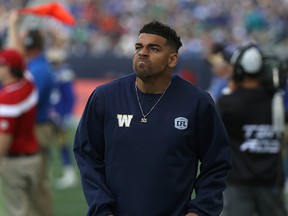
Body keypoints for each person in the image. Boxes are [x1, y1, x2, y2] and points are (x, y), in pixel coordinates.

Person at [73, 20, 232, 216]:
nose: (143, 52)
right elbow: (87, 155)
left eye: (153, 48)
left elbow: (217, 162)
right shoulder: (105, 97)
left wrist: (200, 210)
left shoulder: (197, 102)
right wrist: (101, 208)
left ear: (172, 59)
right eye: (139, 47)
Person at [217, 43, 287, 216]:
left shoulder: (228, 103)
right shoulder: (275, 98)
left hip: (238, 183)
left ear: (238, 71)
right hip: (272, 182)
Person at [6, 11, 55, 216]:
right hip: (37, 127)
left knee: (36, 188)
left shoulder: (37, 70)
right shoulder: (39, 66)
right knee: (35, 188)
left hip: (37, 128)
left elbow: (13, 60)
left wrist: (12, 26)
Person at [0, 49, 41, 216]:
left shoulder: (8, 98)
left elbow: (4, 138)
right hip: (34, 158)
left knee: (16, 211)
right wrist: (14, 25)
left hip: (15, 162)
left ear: (8, 68)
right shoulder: (28, 85)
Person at [47, 47, 77, 189]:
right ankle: (46, 173)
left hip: (60, 114)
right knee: (45, 144)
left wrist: (66, 115)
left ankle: (69, 173)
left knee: (62, 144)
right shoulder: (51, 73)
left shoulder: (64, 74)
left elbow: (70, 97)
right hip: (50, 114)